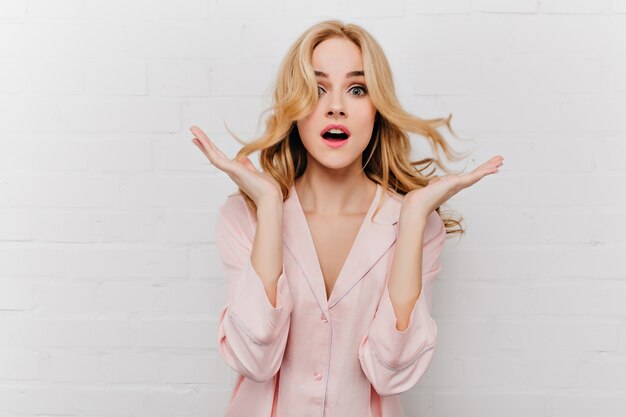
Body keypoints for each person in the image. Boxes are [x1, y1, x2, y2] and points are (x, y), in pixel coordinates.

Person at [190, 20, 503, 417]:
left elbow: (392, 373)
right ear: (294, 106)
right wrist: (270, 207)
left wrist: (412, 219)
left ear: (378, 108)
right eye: (317, 89)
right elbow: (254, 360)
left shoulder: (417, 225)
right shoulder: (244, 217)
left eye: (357, 89)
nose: (336, 106)